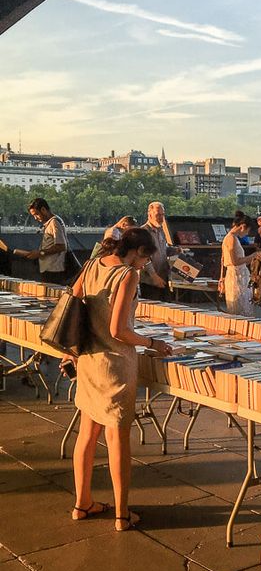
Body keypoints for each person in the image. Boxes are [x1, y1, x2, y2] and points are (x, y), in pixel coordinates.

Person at [63, 227, 172, 532]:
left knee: (86, 435)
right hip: (114, 365)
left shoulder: (93, 263)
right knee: (117, 440)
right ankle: (122, 514)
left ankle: (81, 504)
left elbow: (74, 305)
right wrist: (153, 343)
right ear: (138, 252)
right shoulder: (127, 275)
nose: (144, 266)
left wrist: (70, 352)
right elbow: (118, 331)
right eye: (144, 259)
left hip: (88, 359)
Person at [14, 198, 68, 284]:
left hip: (53, 271)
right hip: (48, 270)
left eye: (36, 214)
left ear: (43, 209)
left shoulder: (54, 223)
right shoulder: (50, 223)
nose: (35, 218)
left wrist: (40, 253)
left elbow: (61, 246)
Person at [219, 211, 260, 316]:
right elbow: (235, 261)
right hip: (236, 276)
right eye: (247, 231)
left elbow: (223, 259)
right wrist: (251, 257)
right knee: (240, 308)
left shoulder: (230, 238)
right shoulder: (231, 238)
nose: (246, 234)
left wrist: (221, 278)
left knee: (242, 306)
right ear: (243, 227)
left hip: (237, 275)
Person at [140, 201, 179, 301]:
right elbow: (144, 257)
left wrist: (175, 250)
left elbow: (162, 250)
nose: (161, 218)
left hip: (163, 277)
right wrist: (154, 276)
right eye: (158, 215)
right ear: (149, 214)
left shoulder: (161, 230)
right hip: (150, 281)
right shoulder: (144, 232)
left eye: (162, 215)